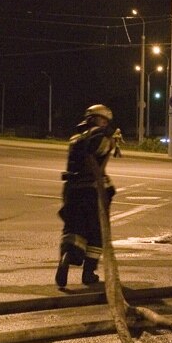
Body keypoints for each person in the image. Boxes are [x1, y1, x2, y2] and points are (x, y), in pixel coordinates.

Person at [55, 104, 119, 289]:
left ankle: (67, 257)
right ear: (94, 119)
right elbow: (98, 147)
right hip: (92, 191)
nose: (105, 124)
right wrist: (111, 138)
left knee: (73, 228)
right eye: (103, 120)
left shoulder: (75, 138)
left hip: (71, 190)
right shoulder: (99, 137)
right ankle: (88, 273)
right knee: (96, 231)